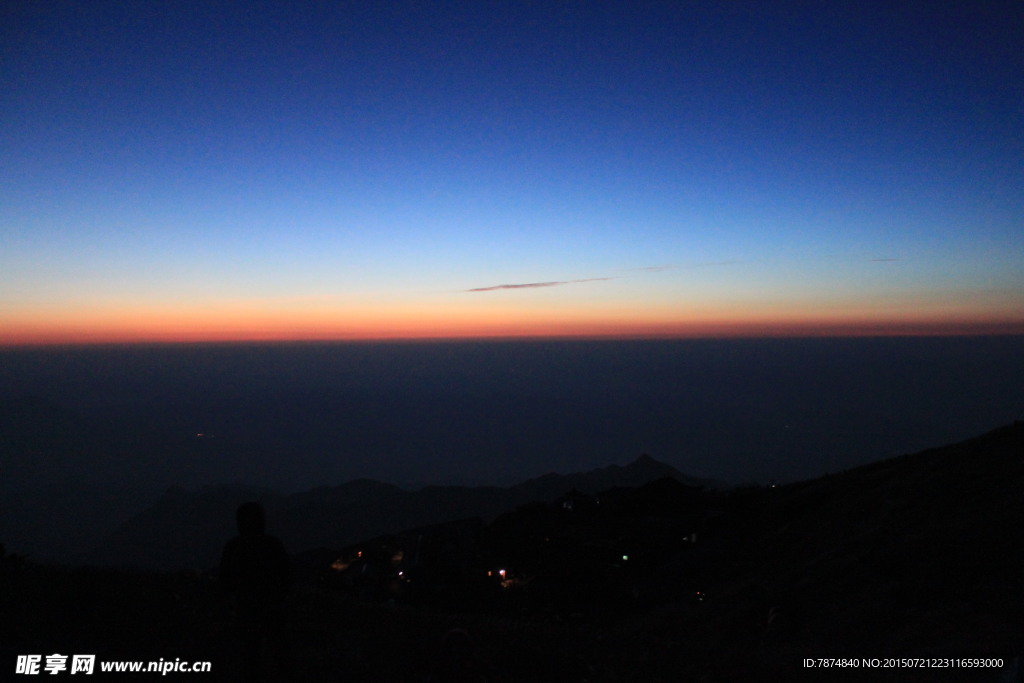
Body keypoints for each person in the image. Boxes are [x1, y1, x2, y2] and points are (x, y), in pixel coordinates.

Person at [219, 502, 291, 681]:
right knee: (276, 655)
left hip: (248, 610)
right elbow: (286, 576)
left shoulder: (234, 547)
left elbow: (225, 580)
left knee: (251, 656)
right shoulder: (272, 545)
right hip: (268, 609)